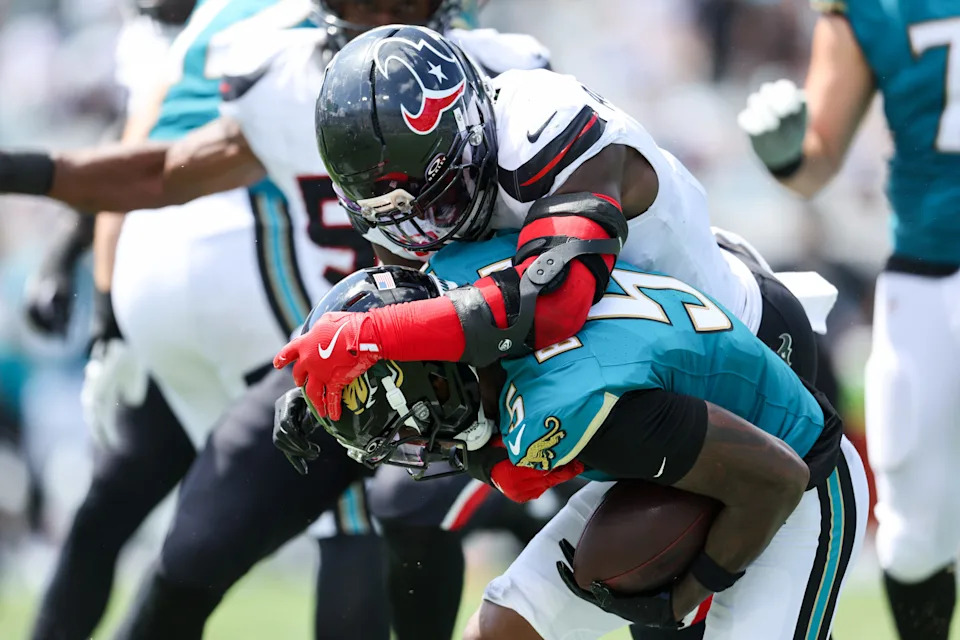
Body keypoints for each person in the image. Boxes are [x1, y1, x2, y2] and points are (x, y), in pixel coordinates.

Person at [0, 3, 556, 638]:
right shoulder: (284, 75)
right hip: (347, 350)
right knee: (195, 548)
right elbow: (162, 170)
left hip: (471, 352)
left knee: (407, 517)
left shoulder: (507, 72)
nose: (378, 12)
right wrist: (24, 171)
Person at [275, 247, 869, 640]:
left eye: (399, 425)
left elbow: (778, 480)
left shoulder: (559, 407)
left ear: (435, 378)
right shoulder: (472, 276)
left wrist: (685, 595)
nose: (410, 445)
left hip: (800, 480)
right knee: (506, 628)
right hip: (680, 454)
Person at [275, 25, 834, 440]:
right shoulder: (404, 204)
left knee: (639, 580)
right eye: (399, 216)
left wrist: (367, 336)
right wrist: (332, 379)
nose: (422, 229)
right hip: (625, 379)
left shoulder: (542, 124)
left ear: (469, 132)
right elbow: (412, 309)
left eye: (438, 200)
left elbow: (550, 304)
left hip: (745, 347)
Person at [736, 2, 960, 639]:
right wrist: (786, 154)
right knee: (915, 528)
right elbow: (817, 159)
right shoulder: (868, 8)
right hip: (928, 270)